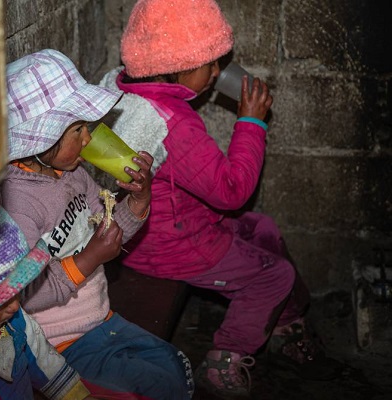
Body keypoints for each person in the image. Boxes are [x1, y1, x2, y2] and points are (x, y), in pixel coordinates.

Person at [97, 0, 341, 397]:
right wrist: (251, 121)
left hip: (161, 225)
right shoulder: (173, 123)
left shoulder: (124, 88)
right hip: (169, 246)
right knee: (274, 275)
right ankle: (223, 360)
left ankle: (284, 324)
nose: (216, 73)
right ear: (177, 66)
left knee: (262, 228)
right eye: (209, 63)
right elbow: (231, 191)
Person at [0, 48, 194, 399]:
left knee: (173, 367)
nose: (88, 139)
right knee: (156, 388)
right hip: (62, 344)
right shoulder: (19, 205)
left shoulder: (69, 173)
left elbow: (106, 232)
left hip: (101, 318)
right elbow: (20, 295)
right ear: (42, 140)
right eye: (77, 130)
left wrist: (137, 200)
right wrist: (90, 257)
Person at [0, 194, 95, 400]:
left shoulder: (15, 321)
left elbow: (44, 362)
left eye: (17, 293)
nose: (15, 306)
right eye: (2, 300)